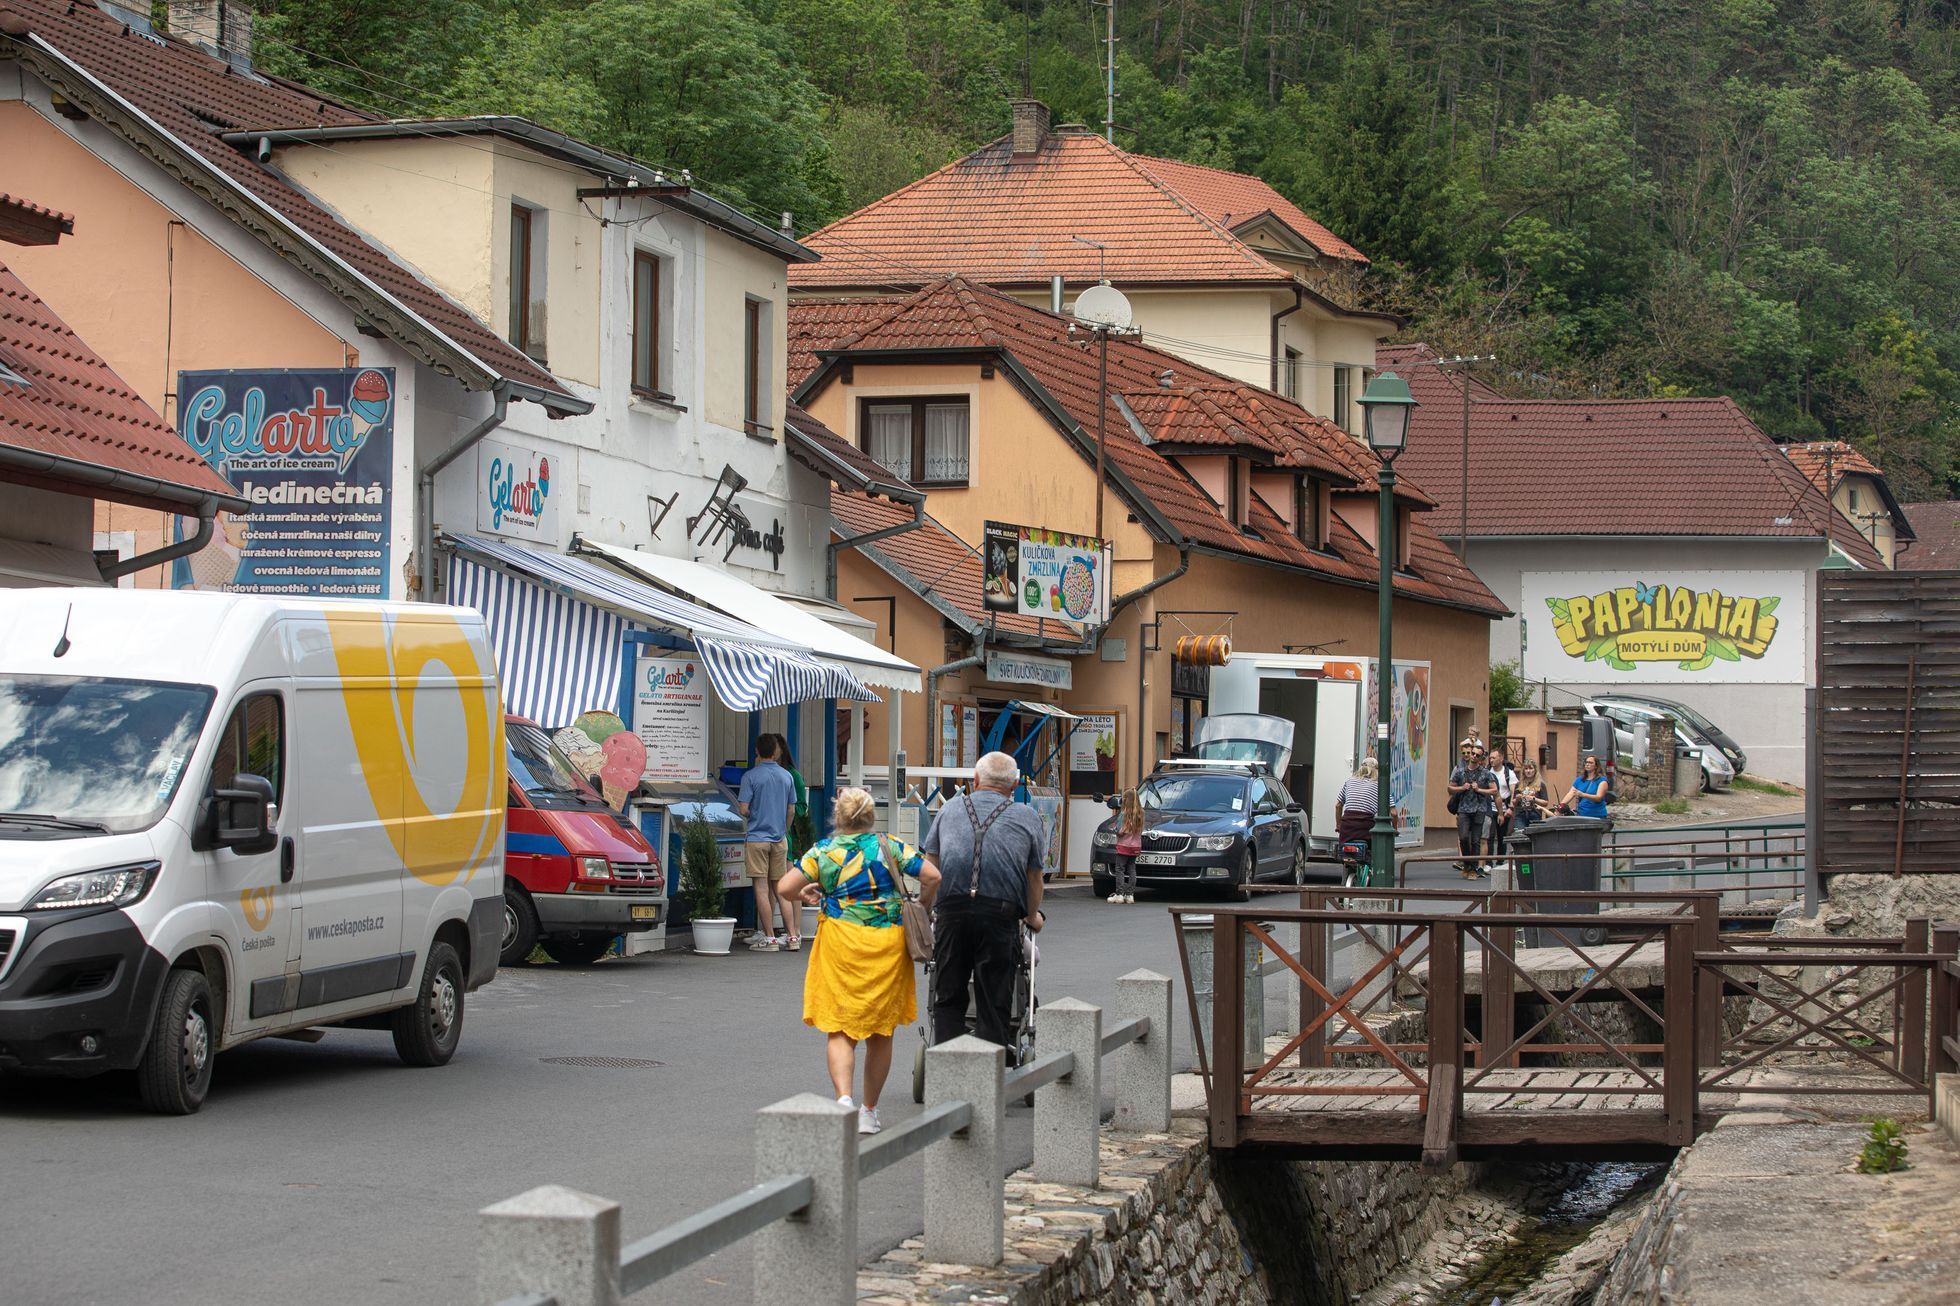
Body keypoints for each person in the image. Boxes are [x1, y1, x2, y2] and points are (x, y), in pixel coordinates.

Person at [776, 788, 939, 1136]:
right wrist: (922, 907)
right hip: (888, 946)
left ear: (839, 818)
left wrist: (808, 891)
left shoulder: (824, 851)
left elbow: (786, 888)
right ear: (870, 817)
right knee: (881, 1030)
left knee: (840, 1027)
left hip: (841, 943)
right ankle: (869, 1111)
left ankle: (843, 1101)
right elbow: (932, 876)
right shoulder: (890, 846)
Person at [922, 751, 1048, 1059]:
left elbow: (931, 869)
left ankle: (947, 1067)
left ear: (975, 781)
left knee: (949, 994)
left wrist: (925, 912)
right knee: (994, 997)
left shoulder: (949, 810)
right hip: (1001, 914)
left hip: (951, 911)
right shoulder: (1027, 817)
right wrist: (1032, 915)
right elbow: (1034, 878)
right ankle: (990, 1075)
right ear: (1015, 785)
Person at [737, 734, 799, 951]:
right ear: (775, 751)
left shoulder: (750, 777)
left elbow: (743, 808)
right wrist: (784, 829)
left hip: (757, 839)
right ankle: (792, 937)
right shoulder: (786, 777)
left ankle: (770, 938)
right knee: (781, 888)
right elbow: (791, 809)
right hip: (779, 839)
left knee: (762, 889)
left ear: (757, 751)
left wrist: (754, 814)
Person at [1449, 742, 1498, 880]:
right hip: (1463, 809)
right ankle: (1467, 863)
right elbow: (1450, 788)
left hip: (1479, 809)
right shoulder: (1460, 771)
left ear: (1481, 758)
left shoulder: (1485, 773)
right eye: (1472, 753)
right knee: (1464, 837)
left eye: (1477, 755)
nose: (1474, 756)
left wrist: (1479, 790)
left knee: (1476, 840)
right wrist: (1462, 788)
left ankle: (1473, 869)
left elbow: (1494, 790)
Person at [1108, 787, 1144, 905]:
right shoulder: (1140, 814)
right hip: (1135, 846)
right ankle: (1130, 895)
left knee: (1120, 869)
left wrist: (1115, 829)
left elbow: (1121, 831)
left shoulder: (1124, 814)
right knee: (1132, 869)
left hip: (1124, 845)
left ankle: (1119, 894)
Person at [1335, 758, 1379, 844]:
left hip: (1347, 826)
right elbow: (1393, 813)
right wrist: (1395, 829)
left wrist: (1338, 825)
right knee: (1373, 851)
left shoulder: (1349, 781)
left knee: (1343, 851)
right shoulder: (1379, 785)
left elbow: (1338, 805)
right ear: (1376, 770)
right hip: (1366, 825)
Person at [1487, 748, 1519, 866]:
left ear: (1501, 758)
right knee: (1489, 836)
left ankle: (1500, 861)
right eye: (1490, 758)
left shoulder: (1508, 773)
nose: (1491, 760)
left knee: (1502, 837)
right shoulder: (1487, 772)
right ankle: (1488, 862)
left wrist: (1511, 808)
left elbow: (1513, 792)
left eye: (1494, 758)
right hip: (1489, 808)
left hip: (1504, 809)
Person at [1562, 754, 1612, 820]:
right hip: (1581, 815)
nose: (1587, 764)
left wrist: (1583, 794)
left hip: (1597, 816)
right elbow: (1571, 793)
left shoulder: (1602, 780)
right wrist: (1561, 806)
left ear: (1596, 766)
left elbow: (1598, 798)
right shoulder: (1579, 779)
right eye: (1586, 762)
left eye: (1590, 762)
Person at [1512, 761, 1554, 831]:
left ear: (1535, 770)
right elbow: (1514, 803)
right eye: (1526, 769)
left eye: (1530, 768)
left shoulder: (1541, 785)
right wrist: (1517, 798)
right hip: (1520, 814)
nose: (1528, 771)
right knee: (1519, 834)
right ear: (1523, 771)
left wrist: (1533, 799)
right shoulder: (1518, 784)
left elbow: (1545, 802)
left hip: (1535, 813)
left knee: (1534, 836)